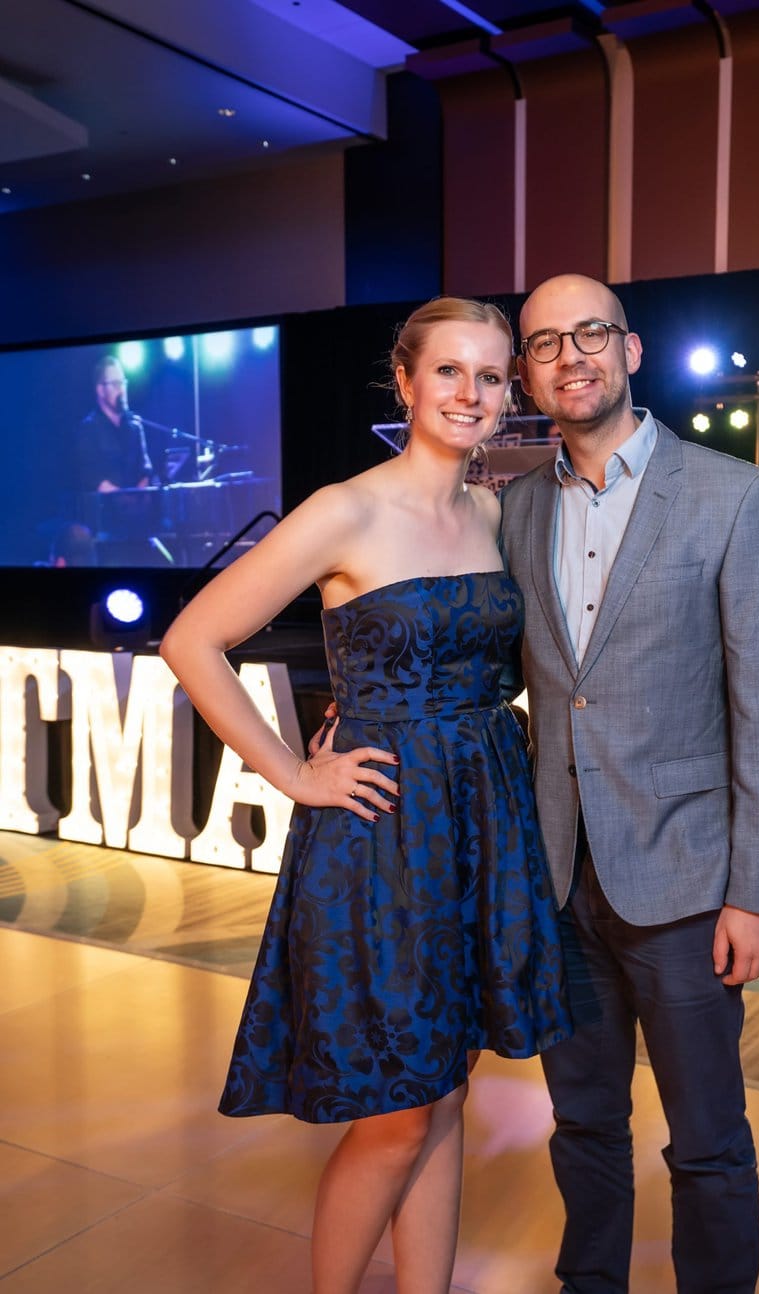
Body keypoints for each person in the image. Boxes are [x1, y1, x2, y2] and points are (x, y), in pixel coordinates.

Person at [159, 297, 571, 1294]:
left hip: (478, 822)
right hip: (381, 834)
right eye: (449, 371)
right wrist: (293, 769)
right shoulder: (345, 509)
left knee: (444, 1094)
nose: (470, 393)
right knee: (397, 1116)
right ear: (405, 381)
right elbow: (192, 640)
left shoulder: (491, 511)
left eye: (490, 375)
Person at [500, 273, 759, 1294]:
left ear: (630, 351)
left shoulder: (733, 495)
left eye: (591, 332)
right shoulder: (515, 508)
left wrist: (756, 892)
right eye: (546, 342)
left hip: (687, 884)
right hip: (559, 881)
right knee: (583, 1123)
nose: (571, 355)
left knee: (707, 1140)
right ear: (527, 373)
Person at [75, 355, 154, 494]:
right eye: (115, 384)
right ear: (100, 390)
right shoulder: (89, 428)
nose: (121, 390)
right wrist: (123, 498)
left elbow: (145, 470)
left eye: (123, 383)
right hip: (106, 505)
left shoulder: (135, 426)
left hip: (137, 505)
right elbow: (92, 478)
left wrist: (138, 495)